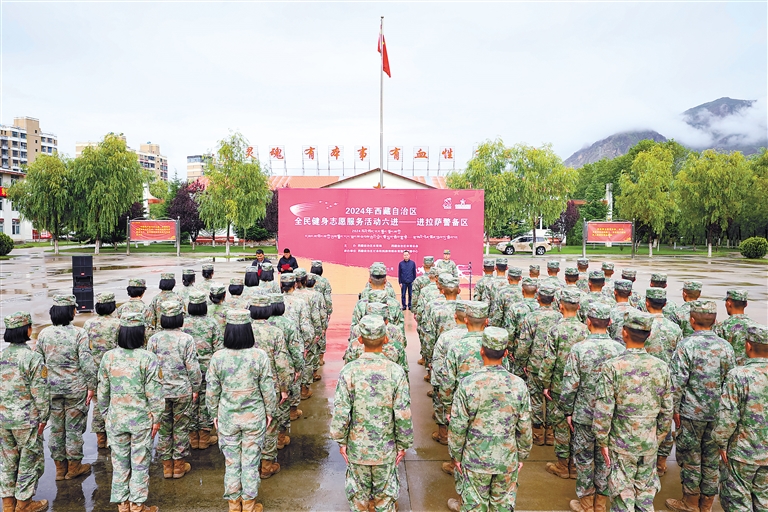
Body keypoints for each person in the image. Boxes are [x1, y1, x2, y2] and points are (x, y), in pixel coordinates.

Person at [330, 315, 413, 512]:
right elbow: (403, 413)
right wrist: (403, 444)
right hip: (386, 448)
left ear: (360, 340)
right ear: (386, 339)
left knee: (358, 498)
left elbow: (341, 410)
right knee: (385, 498)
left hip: (357, 448)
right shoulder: (396, 372)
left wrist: (341, 441)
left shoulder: (349, 371)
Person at [593, 309, 673, 512]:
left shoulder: (613, 367)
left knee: (622, 495)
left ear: (624, 333)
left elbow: (604, 409)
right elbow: (667, 410)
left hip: (621, 442)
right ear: (649, 335)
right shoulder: (661, 367)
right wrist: (658, 437)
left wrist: (602, 440)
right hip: (648, 441)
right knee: (645, 495)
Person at [447, 327, 532, 512]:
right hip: (506, 457)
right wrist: (522, 454)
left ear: (481, 351)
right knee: (502, 506)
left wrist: (456, 455)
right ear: (506, 353)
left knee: (474, 506)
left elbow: (458, 426)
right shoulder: (519, 385)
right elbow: (525, 425)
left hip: (475, 458)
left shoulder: (468, 384)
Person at [667, 300, 736, 512]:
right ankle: (706, 505)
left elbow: (677, 382)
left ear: (692, 320)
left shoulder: (686, 345)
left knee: (691, 457)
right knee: (711, 460)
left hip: (691, 414)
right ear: (714, 321)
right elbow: (731, 383)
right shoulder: (726, 347)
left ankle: (690, 502)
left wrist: (673, 410)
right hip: (717, 414)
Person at [207, 309, 277, 512]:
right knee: (250, 462)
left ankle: (233, 505)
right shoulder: (259, 356)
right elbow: (268, 388)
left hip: (227, 417)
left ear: (228, 332)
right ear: (248, 331)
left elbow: (212, 390)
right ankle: (249, 504)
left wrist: (213, 414)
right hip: (254, 417)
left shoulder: (218, 357)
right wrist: (270, 412)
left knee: (231, 462)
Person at [560, 303, 625, 512]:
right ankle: (601, 503)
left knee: (584, 459)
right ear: (610, 323)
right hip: (610, 416)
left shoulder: (579, 349)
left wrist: (567, 410)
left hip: (584, 414)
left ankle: (587, 503)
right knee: (606, 459)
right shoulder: (620, 350)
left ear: (588, 322)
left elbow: (570, 384)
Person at [97, 312, 164, 512]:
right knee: (140, 462)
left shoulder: (109, 357)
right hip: (141, 419)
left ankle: (123, 505)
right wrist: (157, 417)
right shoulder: (148, 358)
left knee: (119, 463)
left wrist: (106, 414)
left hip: (116, 418)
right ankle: (137, 505)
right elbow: (154, 393)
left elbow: (102, 391)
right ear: (141, 333)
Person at [35, 294, 96, 481]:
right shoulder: (79, 333)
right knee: (74, 429)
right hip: (75, 389)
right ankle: (74, 467)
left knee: (56, 429)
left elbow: (38, 364)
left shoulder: (44, 334)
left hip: (52, 389)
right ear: (71, 311)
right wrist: (92, 386)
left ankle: (60, 469)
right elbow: (86, 363)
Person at [713, 324, 768, 512]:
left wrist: (721, 443)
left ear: (748, 346)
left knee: (738, 503)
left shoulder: (739, 375)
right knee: (764, 502)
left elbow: (727, 417)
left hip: (743, 452)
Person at [147, 301, 202, 480]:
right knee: (181, 428)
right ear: (180, 318)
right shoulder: (186, 339)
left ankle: (166, 466)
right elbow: (192, 367)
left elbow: (150, 367)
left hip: (160, 392)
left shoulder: (154, 339)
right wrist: (196, 387)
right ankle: (178, 466)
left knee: (164, 429)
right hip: (182, 391)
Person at [0, 312, 50, 512]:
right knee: (29, 461)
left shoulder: (1, 356)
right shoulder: (32, 358)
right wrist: (44, 417)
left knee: (7, 461)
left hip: (3, 419)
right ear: (27, 330)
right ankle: (24, 504)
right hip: (26, 420)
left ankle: (8, 504)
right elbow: (40, 392)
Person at [540, 289, 590, 480]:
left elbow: (549, 360)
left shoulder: (555, 330)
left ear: (560, 307)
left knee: (561, 425)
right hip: (581, 386)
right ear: (578, 307)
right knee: (578, 425)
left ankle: (562, 465)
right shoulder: (586, 330)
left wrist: (545, 383)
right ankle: (575, 465)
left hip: (559, 386)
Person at [248, 295, 292, 480]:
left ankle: (251, 463)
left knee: (250, 425)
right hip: (270, 385)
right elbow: (282, 363)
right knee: (270, 424)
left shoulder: (243, 330)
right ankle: (266, 465)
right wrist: (285, 387)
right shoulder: (275, 333)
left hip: (248, 386)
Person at [514, 283, 563, 446]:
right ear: (553, 299)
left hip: (535, 365)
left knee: (535, 399)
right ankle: (550, 433)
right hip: (554, 366)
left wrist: (522, 362)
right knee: (551, 399)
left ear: (538, 298)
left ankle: (537, 434)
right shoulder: (560, 317)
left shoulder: (531, 317)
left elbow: (524, 344)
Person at [643, 288, 683, 476]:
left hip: (644, 381)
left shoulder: (642, 324)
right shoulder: (675, 329)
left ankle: (645, 460)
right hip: (667, 381)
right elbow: (679, 361)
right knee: (665, 421)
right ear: (665, 304)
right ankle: (661, 461)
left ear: (646, 302)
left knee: (644, 421)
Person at [180, 290, 222, 451]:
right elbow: (218, 349)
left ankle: (193, 437)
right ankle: (204, 437)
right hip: (208, 368)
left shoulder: (183, 324)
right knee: (206, 401)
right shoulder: (212, 323)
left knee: (190, 401)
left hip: (187, 369)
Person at [82, 292, 121, 449]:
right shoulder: (118, 323)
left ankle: (101, 439)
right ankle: (114, 437)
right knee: (115, 404)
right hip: (114, 370)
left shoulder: (88, 324)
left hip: (95, 370)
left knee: (99, 405)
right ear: (112, 306)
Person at [267, 293, 305, 426]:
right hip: (284, 365)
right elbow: (295, 349)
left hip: (265, 367)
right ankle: (288, 420)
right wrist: (298, 368)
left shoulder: (263, 324)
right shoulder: (288, 324)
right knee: (287, 395)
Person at [713, 289, 756, 365]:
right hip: (751, 369)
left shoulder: (721, 327)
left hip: (730, 370)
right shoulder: (756, 327)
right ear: (746, 304)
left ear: (729, 303)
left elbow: (716, 353)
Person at [310, 260, 333, 366]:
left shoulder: (308, 279)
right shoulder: (324, 281)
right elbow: (327, 298)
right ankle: (320, 359)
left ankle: (311, 357)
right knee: (322, 333)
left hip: (309, 309)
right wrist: (329, 311)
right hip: (320, 311)